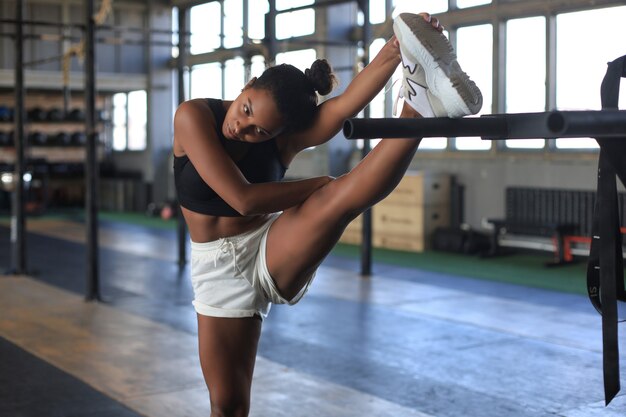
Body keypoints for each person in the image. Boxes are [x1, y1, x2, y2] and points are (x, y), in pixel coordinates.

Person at [173, 11, 481, 417]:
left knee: (340, 200)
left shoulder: (283, 139)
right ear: (247, 86)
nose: (243, 128)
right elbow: (243, 199)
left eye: (261, 131)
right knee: (228, 405)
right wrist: (318, 182)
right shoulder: (194, 116)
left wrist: (399, 47)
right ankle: (419, 100)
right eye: (246, 110)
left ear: (281, 133)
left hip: (268, 245)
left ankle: (419, 105)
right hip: (217, 270)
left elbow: (341, 107)